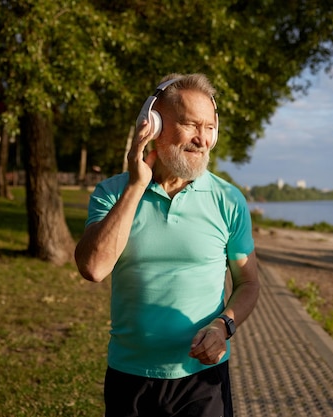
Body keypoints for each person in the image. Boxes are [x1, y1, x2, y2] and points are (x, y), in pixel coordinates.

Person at [74, 73, 260, 417]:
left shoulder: (229, 200)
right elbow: (93, 268)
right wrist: (135, 187)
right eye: (191, 125)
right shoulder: (112, 193)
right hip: (130, 377)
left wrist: (224, 326)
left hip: (201, 381)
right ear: (153, 125)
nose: (202, 139)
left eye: (209, 127)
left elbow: (248, 283)